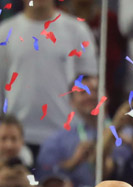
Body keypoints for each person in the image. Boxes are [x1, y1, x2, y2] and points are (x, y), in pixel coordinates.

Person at [0, 0, 98, 154]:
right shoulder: (5, 32)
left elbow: (90, 86)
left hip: (66, 133)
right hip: (18, 137)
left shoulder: (76, 30)